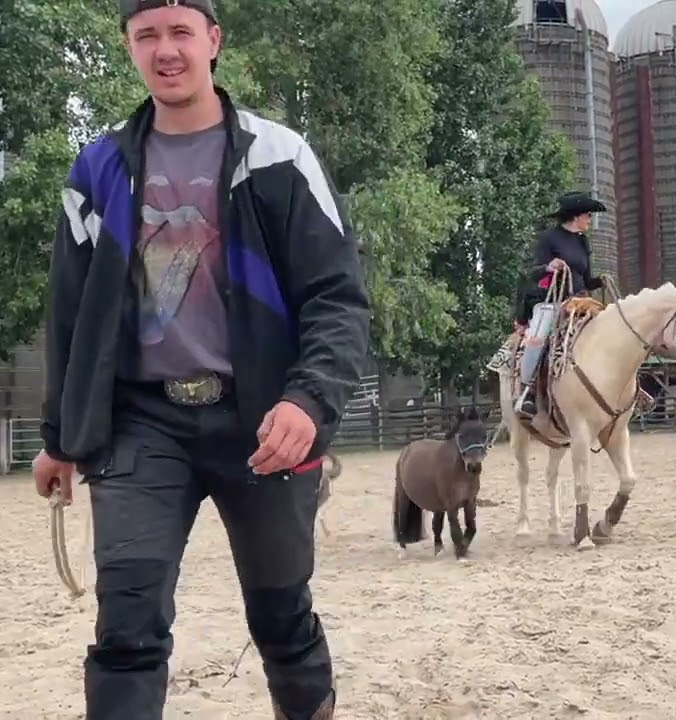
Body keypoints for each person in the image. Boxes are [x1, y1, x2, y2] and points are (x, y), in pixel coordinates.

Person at [31, 2, 369, 719]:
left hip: (264, 421)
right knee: (126, 627)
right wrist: (59, 438)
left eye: (181, 31)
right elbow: (68, 314)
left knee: (282, 619)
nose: (166, 50)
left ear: (213, 40)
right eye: (147, 35)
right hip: (139, 424)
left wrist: (309, 401)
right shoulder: (96, 170)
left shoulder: (279, 158)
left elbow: (337, 299)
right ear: (128, 46)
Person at [511, 191, 607, 418]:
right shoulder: (548, 238)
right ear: (576, 217)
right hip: (552, 301)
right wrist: (548, 266)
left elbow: (586, 278)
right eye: (587, 215)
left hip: (582, 303)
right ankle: (527, 392)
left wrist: (600, 281)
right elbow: (530, 273)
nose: (590, 220)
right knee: (537, 339)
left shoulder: (583, 241)